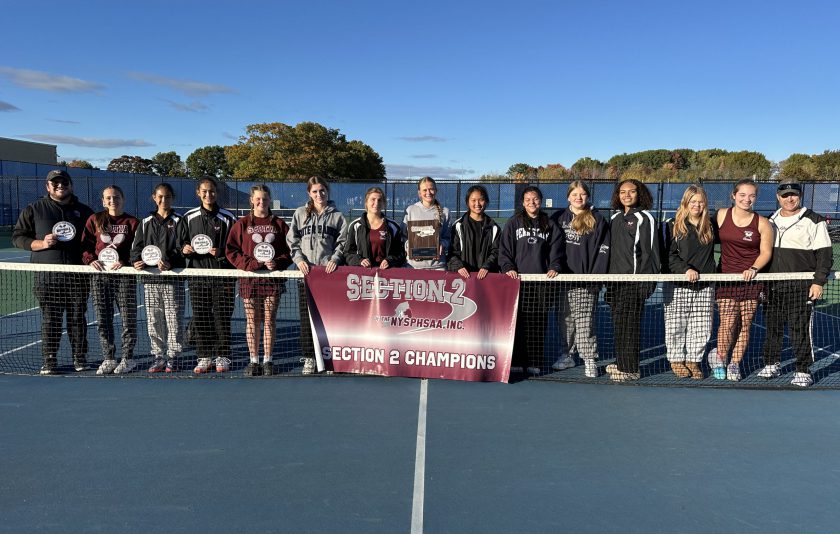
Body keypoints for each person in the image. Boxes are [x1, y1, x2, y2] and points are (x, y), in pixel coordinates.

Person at [12, 170, 94, 375]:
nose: (60, 186)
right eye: (55, 183)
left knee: (77, 317)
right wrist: (41, 243)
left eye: (64, 182)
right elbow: (18, 237)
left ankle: (79, 357)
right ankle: (50, 360)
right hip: (47, 275)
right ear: (48, 186)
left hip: (77, 274)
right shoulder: (34, 209)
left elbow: (93, 241)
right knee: (51, 319)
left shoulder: (84, 212)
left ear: (71, 185)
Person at [757, 181, 833, 387]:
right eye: (785, 195)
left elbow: (825, 255)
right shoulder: (769, 220)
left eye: (793, 195)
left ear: (800, 196)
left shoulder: (813, 220)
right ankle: (772, 363)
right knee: (773, 328)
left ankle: (803, 369)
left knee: (799, 329)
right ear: (777, 197)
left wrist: (818, 282)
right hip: (772, 285)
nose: (789, 199)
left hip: (801, 285)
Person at [227, 185, 292, 377]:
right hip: (249, 279)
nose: (261, 202)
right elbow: (231, 251)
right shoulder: (242, 224)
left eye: (264, 199)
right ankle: (254, 360)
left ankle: (268, 360)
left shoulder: (280, 225)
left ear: (269, 200)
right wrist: (250, 264)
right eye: (258, 199)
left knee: (269, 320)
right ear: (251, 200)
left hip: (272, 281)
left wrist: (278, 263)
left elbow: (290, 252)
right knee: (252, 320)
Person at [712, 179, 773, 381]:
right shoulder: (721, 215)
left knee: (745, 324)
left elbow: (766, 252)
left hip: (751, 281)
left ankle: (734, 364)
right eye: (742, 195)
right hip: (727, 279)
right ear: (734, 196)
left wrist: (754, 268)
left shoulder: (762, 223)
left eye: (752, 195)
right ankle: (720, 359)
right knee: (727, 323)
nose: (747, 199)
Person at [499, 186, 563, 376]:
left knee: (538, 322)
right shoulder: (514, 222)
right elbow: (505, 251)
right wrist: (508, 268)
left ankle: (535, 361)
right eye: (528, 199)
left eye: (535, 199)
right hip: (518, 282)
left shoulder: (549, 224)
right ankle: (516, 361)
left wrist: (554, 266)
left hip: (541, 282)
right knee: (517, 322)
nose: (531, 202)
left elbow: (556, 250)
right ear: (522, 202)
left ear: (540, 201)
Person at [287, 176, 347, 374]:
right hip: (306, 273)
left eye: (322, 191)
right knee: (306, 316)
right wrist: (299, 260)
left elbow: (343, 242)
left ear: (327, 191)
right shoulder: (300, 214)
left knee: (329, 316)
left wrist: (335, 259)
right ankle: (309, 357)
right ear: (309, 193)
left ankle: (328, 357)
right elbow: (292, 241)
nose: (319, 194)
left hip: (328, 274)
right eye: (315, 191)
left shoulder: (338, 216)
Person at [177, 177, 237, 374]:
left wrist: (220, 252)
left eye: (211, 191)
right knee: (201, 317)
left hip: (223, 277)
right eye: (204, 191)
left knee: (222, 318)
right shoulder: (189, 217)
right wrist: (184, 249)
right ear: (198, 193)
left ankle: (223, 355)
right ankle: (204, 356)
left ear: (216, 193)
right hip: (198, 277)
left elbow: (235, 248)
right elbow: (180, 243)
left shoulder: (228, 218)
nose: (208, 195)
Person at [550, 180, 610, 378]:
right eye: (575, 194)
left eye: (582, 194)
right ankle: (567, 355)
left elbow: (603, 250)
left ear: (588, 196)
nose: (578, 197)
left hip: (585, 282)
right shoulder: (558, 217)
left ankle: (589, 359)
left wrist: (595, 278)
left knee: (585, 322)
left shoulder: (598, 219)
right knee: (565, 321)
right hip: (562, 281)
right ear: (568, 196)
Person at [604, 179, 661, 381]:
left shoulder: (645, 218)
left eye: (631, 191)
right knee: (619, 324)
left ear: (640, 194)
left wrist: (647, 283)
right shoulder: (615, 218)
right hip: (615, 283)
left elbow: (652, 253)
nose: (626, 195)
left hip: (635, 283)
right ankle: (621, 362)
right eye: (622, 192)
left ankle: (630, 369)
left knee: (630, 325)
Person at [80, 185, 140, 375]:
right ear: (103, 201)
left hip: (124, 277)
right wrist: (91, 260)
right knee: (102, 319)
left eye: (116, 197)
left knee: (128, 319)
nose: (112, 201)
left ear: (123, 199)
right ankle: (108, 357)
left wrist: (125, 261)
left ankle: (127, 358)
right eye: (108, 198)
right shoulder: (95, 219)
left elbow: (137, 250)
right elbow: (85, 245)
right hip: (100, 277)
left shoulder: (132, 222)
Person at [130, 183, 185, 373]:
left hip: (172, 279)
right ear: (154, 197)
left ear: (172, 198)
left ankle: (173, 356)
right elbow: (136, 249)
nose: (164, 200)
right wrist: (136, 261)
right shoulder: (145, 222)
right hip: (151, 280)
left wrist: (170, 262)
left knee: (173, 319)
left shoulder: (180, 221)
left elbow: (183, 249)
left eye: (168, 197)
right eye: (160, 196)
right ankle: (159, 356)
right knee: (154, 320)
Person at [662, 185, 716, 380]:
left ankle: (693, 360)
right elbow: (668, 256)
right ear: (686, 202)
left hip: (705, 286)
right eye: (693, 201)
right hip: (678, 285)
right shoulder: (673, 225)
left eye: (700, 201)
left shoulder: (710, 225)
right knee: (676, 325)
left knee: (701, 326)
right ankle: (676, 359)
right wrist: (685, 270)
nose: (697, 205)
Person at [447, 185, 500, 279]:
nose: (477, 203)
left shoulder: (494, 228)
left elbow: (497, 252)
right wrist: (459, 267)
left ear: (486, 201)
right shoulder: (458, 226)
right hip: (464, 280)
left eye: (481, 199)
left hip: (487, 279)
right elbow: (452, 252)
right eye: (473, 200)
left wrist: (487, 267)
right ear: (467, 202)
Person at [345, 187, 405, 269]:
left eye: (379, 200)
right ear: (366, 202)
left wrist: (389, 261)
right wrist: (359, 261)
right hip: (363, 275)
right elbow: (348, 253)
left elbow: (400, 254)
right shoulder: (355, 225)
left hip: (385, 275)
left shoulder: (393, 227)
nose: (376, 203)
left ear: (384, 203)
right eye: (373, 199)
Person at [402, 176, 451, 270]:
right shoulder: (410, 210)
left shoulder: (445, 212)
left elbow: (448, 238)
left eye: (431, 189)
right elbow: (403, 237)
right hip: (413, 266)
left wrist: (442, 244)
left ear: (436, 190)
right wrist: (409, 246)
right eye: (425, 190)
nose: (428, 192)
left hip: (438, 266)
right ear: (419, 192)